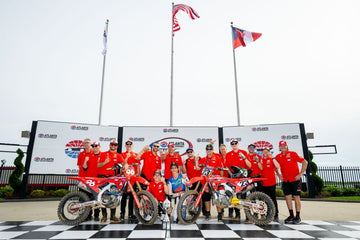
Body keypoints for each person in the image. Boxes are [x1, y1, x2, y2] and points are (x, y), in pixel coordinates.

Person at [275, 140, 308, 224]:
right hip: (286, 181)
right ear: (279, 147)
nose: (283, 147)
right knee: (288, 198)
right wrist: (278, 174)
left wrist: (301, 173)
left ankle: (298, 216)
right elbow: (275, 166)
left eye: (284, 145)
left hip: (295, 180)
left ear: (287, 146)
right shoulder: (278, 156)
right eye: (281, 146)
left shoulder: (293, 154)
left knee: (296, 198)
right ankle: (291, 215)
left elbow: (305, 162)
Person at [97, 139, 123, 224]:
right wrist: (105, 162)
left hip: (113, 178)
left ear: (117, 146)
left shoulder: (118, 155)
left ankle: (113, 216)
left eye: (115, 145)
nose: (113, 146)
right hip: (102, 178)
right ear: (109, 145)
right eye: (112, 144)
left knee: (113, 196)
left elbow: (123, 164)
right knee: (103, 197)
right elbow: (98, 165)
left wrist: (126, 165)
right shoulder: (103, 154)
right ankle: (104, 216)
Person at [225, 138, 251, 221]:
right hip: (234, 179)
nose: (234, 145)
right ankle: (237, 215)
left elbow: (249, 165)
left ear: (238, 144)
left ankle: (248, 216)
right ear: (231, 145)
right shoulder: (228, 154)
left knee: (245, 197)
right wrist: (231, 174)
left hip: (243, 178)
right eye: (232, 143)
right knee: (235, 197)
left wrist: (245, 158)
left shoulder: (243, 152)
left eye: (235, 143)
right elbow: (227, 167)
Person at [198, 144, 224, 221]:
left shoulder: (217, 158)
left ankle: (219, 214)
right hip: (206, 181)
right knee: (206, 198)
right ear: (206, 150)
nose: (209, 151)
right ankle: (208, 214)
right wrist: (196, 162)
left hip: (215, 181)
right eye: (207, 149)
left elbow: (221, 169)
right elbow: (198, 168)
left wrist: (221, 179)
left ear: (212, 150)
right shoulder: (203, 159)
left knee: (217, 197)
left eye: (210, 149)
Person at [120, 140, 139, 222]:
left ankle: (131, 214)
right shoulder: (122, 155)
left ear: (132, 145)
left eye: (130, 144)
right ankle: (122, 214)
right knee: (124, 197)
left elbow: (138, 167)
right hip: (125, 179)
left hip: (133, 179)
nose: (128, 146)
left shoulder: (135, 155)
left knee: (132, 197)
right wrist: (126, 158)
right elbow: (122, 166)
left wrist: (137, 176)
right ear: (125, 145)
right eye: (127, 144)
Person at [259, 147, 280, 222]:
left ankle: (276, 215)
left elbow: (277, 166)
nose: (265, 152)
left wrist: (273, 157)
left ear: (269, 152)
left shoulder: (272, 159)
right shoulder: (261, 160)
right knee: (265, 200)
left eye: (266, 151)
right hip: (264, 183)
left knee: (273, 199)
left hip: (271, 182)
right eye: (263, 151)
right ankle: (268, 214)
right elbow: (261, 168)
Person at [84, 141, 102, 221]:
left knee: (97, 198)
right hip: (89, 180)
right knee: (89, 198)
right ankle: (88, 215)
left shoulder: (103, 155)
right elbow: (84, 167)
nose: (94, 147)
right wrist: (85, 160)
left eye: (96, 146)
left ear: (99, 146)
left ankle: (97, 215)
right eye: (93, 146)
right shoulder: (89, 155)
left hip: (98, 180)